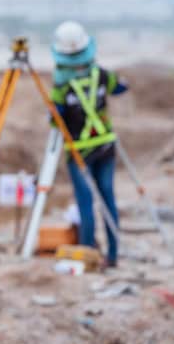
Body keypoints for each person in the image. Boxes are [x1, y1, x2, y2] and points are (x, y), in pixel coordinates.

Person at [50, 21, 128, 268]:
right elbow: (121, 87)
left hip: (80, 151)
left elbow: (55, 120)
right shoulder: (103, 75)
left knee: (86, 203)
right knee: (108, 199)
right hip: (106, 146)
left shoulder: (61, 87)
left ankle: (87, 255)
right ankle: (113, 255)